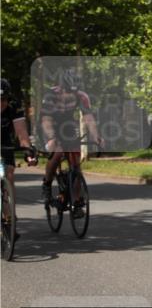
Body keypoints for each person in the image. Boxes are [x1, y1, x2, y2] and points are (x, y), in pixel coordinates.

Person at [38, 69, 103, 210]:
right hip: (49, 123)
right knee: (57, 152)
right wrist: (52, 138)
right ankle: (47, 184)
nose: (71, 94)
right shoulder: (51, 95)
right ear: (62, 87)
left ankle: (77, 201)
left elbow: (88, 118)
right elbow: (46, 120)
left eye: (74, 91)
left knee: (75, 164)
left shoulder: (82, 96)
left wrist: (95, 136)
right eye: (68, 91)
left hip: (67, 125)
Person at [1, 78, 39, 241]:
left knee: (9, 174)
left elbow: (21, 132)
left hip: (4, 141)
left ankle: (10, 217)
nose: (1, 103)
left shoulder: (14, 106)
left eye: (4, 99)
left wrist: (27, 151)